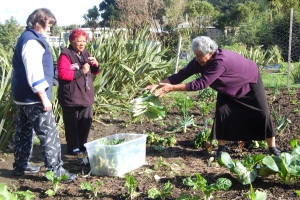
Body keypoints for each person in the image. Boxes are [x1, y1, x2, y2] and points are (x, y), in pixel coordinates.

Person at [145, 36, 281, 158]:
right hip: (227, 84)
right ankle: (222, 148)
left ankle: (272, 148)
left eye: (200, 56)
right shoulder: (200, 61)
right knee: (222, 112)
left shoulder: (220, 61)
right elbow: (182, 74)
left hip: (249, 80)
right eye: (196, 55)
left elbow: (201, 83)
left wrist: (171, 88)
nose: (197, 59)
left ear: (210, 53)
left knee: (262, 112)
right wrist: (157, 84)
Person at [11, 8, 77, 182]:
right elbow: (34, 71)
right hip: (34, 98)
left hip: (22, 97)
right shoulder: (32, 41)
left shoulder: (25, 37)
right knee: (49, 134)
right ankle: (55, 171)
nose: (50, 29)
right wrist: (43, 97)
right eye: (48, 25)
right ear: (39, 22)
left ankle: (21, 165)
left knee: (24, 132)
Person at [57, 28, 100, 155]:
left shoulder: (86, 54)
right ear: (71, 41)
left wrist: (96, 64)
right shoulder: (66, 54)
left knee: (86, 121)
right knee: (71, 123)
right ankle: (73, 146)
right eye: (78, 41)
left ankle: (82, 144)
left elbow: (95, 72)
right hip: (71, 96)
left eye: (84, 41)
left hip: (86, 95)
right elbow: (63, 74)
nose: (82, 44)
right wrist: (81, 71)